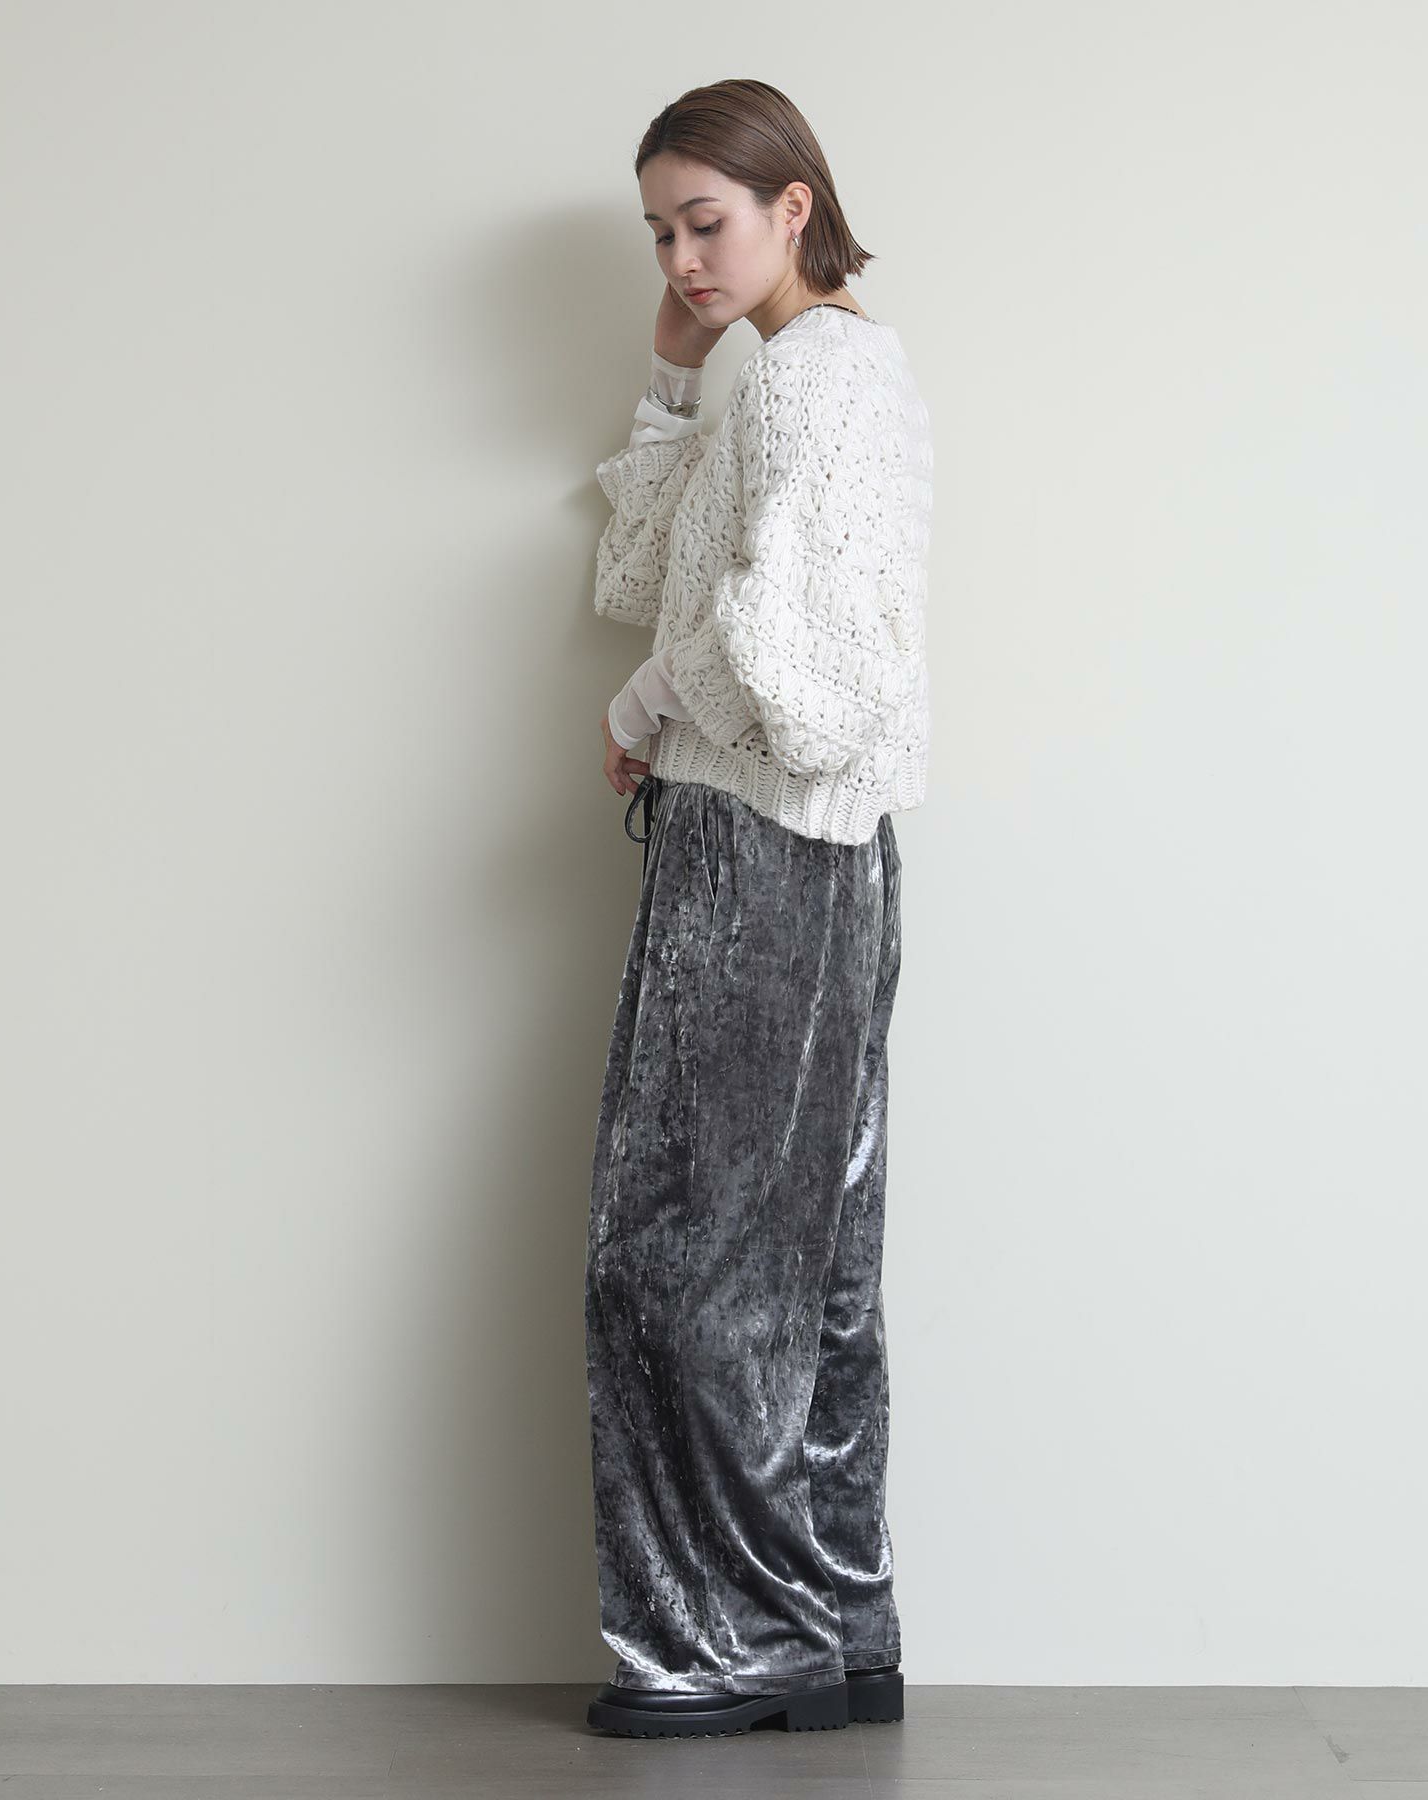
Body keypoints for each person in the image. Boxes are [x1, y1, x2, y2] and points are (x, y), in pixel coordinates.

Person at [583, 78, 934, 1740]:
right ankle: (835, 1626)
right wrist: (672, 377)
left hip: (762, 849)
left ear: (796, 206)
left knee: (678, 1257)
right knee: (807, 1267)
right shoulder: (785, 374)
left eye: (706, 222)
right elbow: (645, 576)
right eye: (660, 231)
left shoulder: (822, 381)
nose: (682, 256)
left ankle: (735, 1645)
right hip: (806, 851)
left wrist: (644, 705)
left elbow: (792, 656)